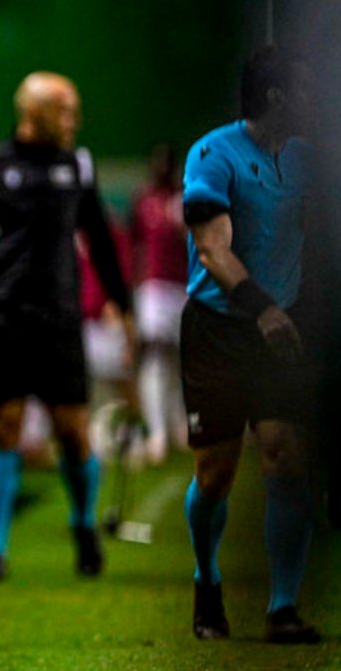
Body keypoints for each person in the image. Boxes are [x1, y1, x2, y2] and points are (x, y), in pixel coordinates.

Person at [0, 71, 133, 583]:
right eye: (65, 109)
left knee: (73, 432)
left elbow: (99, 238)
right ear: (34, 112)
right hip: (4, 317)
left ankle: (84, 526)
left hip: (60, 319)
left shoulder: (77, 166)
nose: (75, 120)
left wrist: (122, 307)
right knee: (3, 427)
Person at [179, 46, 321, 644]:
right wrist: (260, 308)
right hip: (218, 329)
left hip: (282, 327)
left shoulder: (311, 159)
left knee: (285, 456)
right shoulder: (212, 155)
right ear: (278, 98)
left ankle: (283, 606)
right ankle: (207, 578)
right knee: (216, 475)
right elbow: (213, 250)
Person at [130, 143, 189, 464]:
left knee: (183, 361)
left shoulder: (186, 200)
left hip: (184, 287)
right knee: (154, 354)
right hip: (153, 288)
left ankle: (180, 424)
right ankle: (157, 432)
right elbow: (134, 244)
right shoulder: (143, 200)